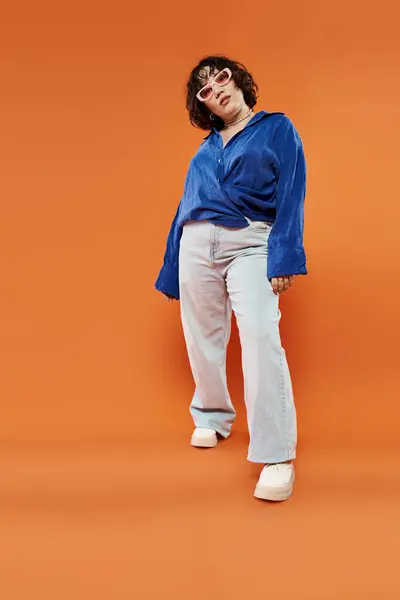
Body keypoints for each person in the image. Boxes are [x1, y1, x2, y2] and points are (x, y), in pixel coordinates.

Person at [155, 55, 307, 502]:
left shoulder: (277, 128)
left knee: (260, 334)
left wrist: (283, 257)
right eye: (204, 90)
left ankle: (277, 455)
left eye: (220, 77)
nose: (216, 89)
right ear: (205, 107)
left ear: (238, 81)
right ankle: (212, 414)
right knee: (200, 335)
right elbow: (185, 207)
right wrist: (171, 270)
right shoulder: (204, 149)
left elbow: (292, 191)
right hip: (196, 245)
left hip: (250, 241)